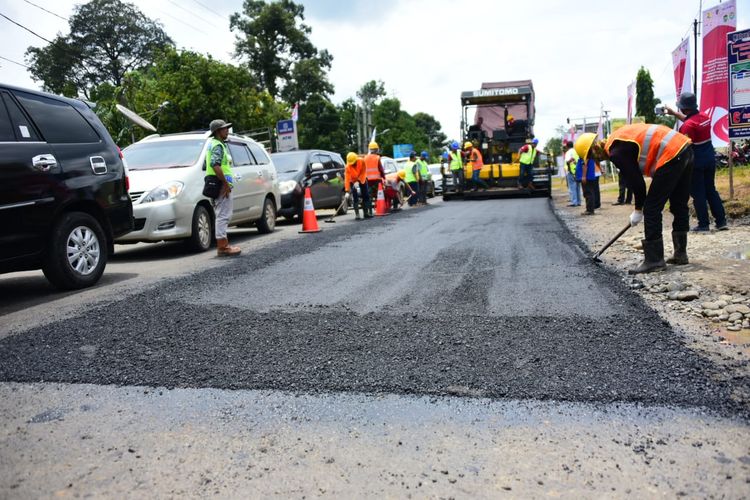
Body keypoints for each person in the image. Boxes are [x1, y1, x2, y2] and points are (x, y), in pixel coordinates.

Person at [575, 124, 693, 274]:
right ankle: (680, 254)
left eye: (591, 157)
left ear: (594, 149)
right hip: (684, 148)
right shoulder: (617, 140)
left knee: (651, 208)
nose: (595, 160)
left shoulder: (616, 152)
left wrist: (638, 210)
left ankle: (655, 261)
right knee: (678, 203)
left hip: (671, 154)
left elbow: (638, 184)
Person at [665, 92, 728, 232]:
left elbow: (683, 145)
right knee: (711, 190)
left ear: (684, 108)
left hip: (697, 163)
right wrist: (674, 113)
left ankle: (704, 224)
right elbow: (691, 120)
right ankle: (721, 221)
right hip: (710, 159)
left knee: (698, 193)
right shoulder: (705, 117)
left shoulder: (687, 127)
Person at [205, 119, 241, 256]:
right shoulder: (218, 146)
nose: (227, 130)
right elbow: (215, 165)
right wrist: (225, 184)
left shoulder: (215, 144)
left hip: (217, 183)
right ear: (218, 131)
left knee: (222, 214)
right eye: (224, 128)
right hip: (220, 185)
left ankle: (223, 245)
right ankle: (223, 247)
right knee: (223, 215)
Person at [344, 152, 368, 220]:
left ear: (356, 159)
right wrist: (347, 191)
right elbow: (347, 179)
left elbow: (363, 172)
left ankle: (366, 213)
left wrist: (359, 180)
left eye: (353, 162)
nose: (352, 164)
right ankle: (357, 214)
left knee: (365, 195)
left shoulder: (362, 161)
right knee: (355, 196)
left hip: (362, 179)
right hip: (353, 181)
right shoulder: (347, 167)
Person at [364, 141, 385, 215]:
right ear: (376, 149)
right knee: (379, 195)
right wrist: (384, 177)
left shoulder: (365, 158)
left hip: (368, 180)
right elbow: (381, 169)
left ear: (369, 149)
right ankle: (378, 209)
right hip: (377, 180)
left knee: (369, 196)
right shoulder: (377, 157)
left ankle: (370, 212)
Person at [563, 140, 581, 206]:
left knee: (572, 187)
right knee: (578, 187)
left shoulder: (568, 152)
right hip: (578, 170)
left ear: (567, 146)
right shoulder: (576, 151)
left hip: (571, 171)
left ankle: (574, 202)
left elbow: (568, 161)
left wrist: (569, 169)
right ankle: (579, 202)